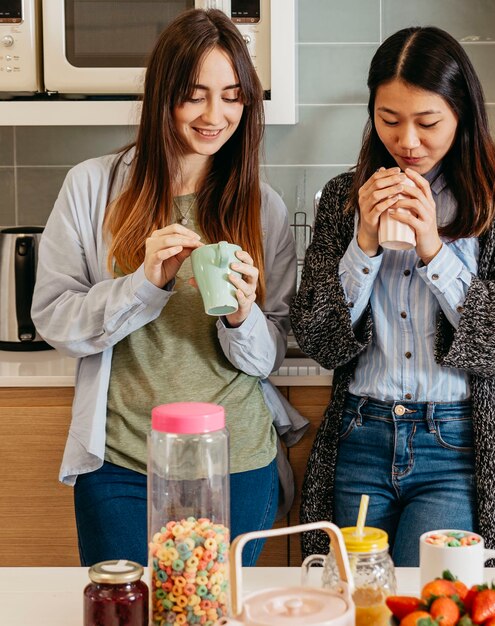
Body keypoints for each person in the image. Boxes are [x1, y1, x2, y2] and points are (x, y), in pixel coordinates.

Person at [31, 8, 298, 567]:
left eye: (231, 95)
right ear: (162, 97)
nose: (214, 114)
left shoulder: (262, 208)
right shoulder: (91, 187)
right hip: (122, 467)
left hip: (237, 462)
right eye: (194, 94)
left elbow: (269, 353)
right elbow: (55, 319)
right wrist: (142, 286)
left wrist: (242, 317)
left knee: (213, 612)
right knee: (127, 609)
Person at [291, 25, 495, 567]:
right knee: (354, 599)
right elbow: (317, 339)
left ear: (462, 113)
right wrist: (362, 243)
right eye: (389, 120)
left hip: (457, 444)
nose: (407, 141)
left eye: (427, 122)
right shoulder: (345, 197)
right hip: (360, 435)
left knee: (430, 599)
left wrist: (434, 250)